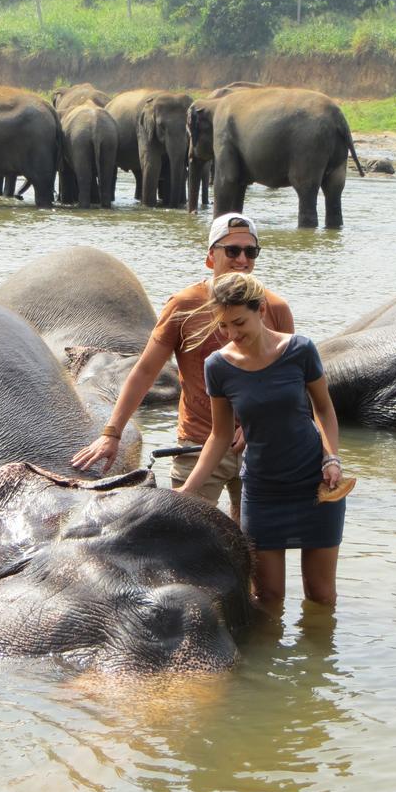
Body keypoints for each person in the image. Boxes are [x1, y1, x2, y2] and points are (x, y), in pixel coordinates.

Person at [71, 213, 294, 521]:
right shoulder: (184, 305)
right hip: (197, 446)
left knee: (257, 547)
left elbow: (287, 382)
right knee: (188, 538)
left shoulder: (276, 308)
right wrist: (112, 433)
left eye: (250, 251)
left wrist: (261, 422)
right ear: (210, 257)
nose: (242, 259)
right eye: (232, 251)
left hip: (259, 446)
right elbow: (145, 371)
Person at [176, 271, 346, 607]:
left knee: (321, 595)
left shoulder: (300, 350)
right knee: (268, 597)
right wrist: (187, 491)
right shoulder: (218, 366)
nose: (231, 334)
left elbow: (324, 410)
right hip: (263, 492)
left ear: (262, 310)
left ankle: (319, 661)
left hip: (315, 486)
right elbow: (220, 436)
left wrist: (332, 458)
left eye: (238, 322)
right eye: (223, 326)